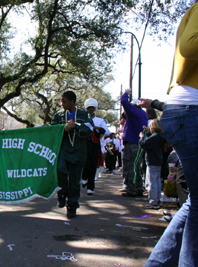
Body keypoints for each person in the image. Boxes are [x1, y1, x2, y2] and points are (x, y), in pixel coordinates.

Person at [144, 2, 198, 265]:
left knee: (195, 201)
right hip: (190, 110)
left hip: (183, 111)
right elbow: (190, 47)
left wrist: (154, 104)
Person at [51, 91, 93, 218]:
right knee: (60, 170)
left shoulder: (83, 113)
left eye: (64, 101)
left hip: (79, 151)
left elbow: (89, 128)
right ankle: (62, 194)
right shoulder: (59, 115)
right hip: (63, 150)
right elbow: (52, 129)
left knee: (75, 181)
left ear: (72, 102)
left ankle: (72, 206)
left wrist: (76, 126)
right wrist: (63, 128)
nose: (62, 104)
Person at [120, 89, 148, 197]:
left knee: (130, 166)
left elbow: (124, 102)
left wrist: (126, 93)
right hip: (139, 144)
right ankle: (138, 188)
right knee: (136, 167)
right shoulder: (143, 114)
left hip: (132, 144)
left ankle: (131, 190)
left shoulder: (133, 112)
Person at [81, 98, 110, 195]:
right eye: (88, 108)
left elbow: (107, 131)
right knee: (85, 163)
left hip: (95, 145)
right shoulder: (83, 119)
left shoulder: (99, 120)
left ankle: (91, 187)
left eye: (92, 108)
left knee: (93, 165)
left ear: (95, 109)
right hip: (84, 144)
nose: (90, 110)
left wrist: (98, 128)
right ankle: (84, 177)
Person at [139, 119, 166, 209]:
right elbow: (152, 141)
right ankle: (157, 199)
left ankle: (153, 201)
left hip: (152, 161)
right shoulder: (160, 137)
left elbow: (143, 144)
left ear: (153, 128)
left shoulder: (154, 138)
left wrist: (142, 137)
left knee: (152, 182)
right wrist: (149, 133)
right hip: (158, 161)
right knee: (157, 181)